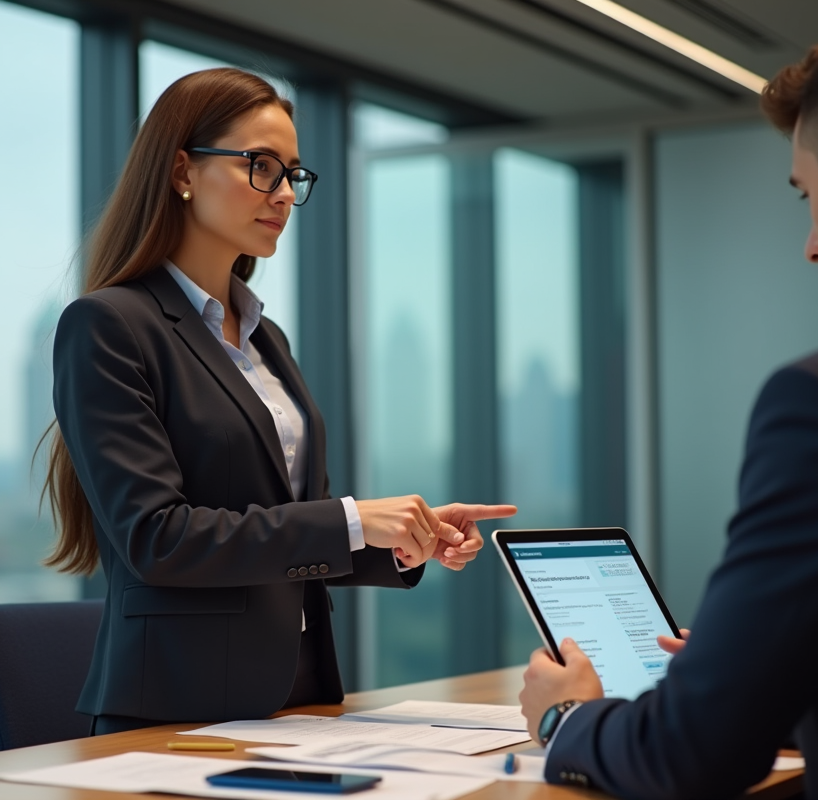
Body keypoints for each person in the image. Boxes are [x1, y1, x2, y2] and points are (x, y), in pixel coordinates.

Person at [44, 67, 515, 735]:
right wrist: (356, 519)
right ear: (183, 170)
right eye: (262, 167)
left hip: (298, 697)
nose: (286, 194)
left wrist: (404, 542)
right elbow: (156, 538)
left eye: (294, 173)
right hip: (177, 714)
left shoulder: (267, 338)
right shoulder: (110, 325)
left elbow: (288, 529)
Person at [517, 8, 818, 799]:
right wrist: (758, 672)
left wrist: (568, 719)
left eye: (806, 195)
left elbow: (691, 758)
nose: (813, 245)